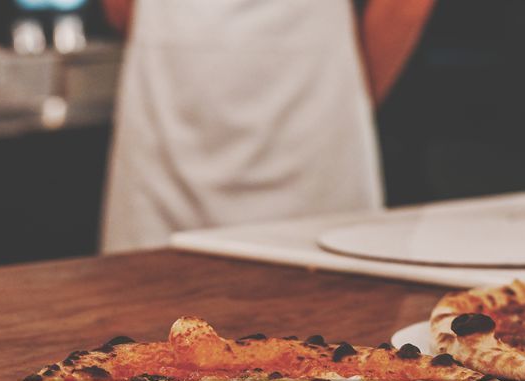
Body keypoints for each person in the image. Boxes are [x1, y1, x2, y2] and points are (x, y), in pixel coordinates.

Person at [100, 0, 437, 253]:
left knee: (333, 330)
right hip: (164, 117)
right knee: (138, 334)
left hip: (313, 117)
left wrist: (349, 101)